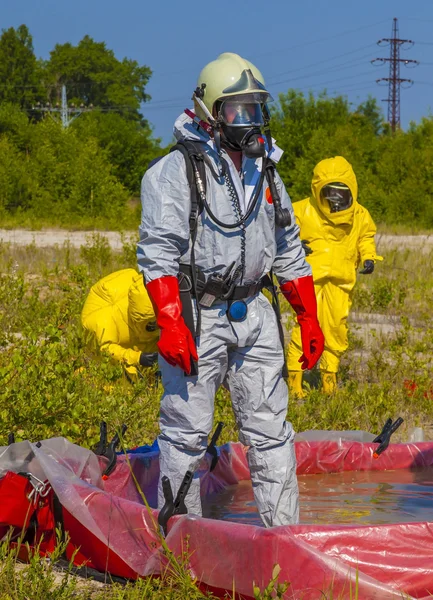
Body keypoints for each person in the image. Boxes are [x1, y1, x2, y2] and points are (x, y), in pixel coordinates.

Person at [137, 52, 324, 527]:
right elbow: (158, 253)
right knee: (186, 433)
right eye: (238, 110)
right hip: (197, 312)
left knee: (272, 432)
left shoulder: (266, 171)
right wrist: (170, 322)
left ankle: (286, 539)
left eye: (256, 109)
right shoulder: (175, 173)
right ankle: (181, 544)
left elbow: (287, 246)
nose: (250, 121)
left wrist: (309, 315)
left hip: (255, 312)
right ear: (209, 112)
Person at [287, 156, 382, 397]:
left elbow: (365, 237)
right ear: (318, 190)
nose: (335, 199)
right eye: (330, 193)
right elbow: (280, 233)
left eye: (341, 193)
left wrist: (368, 256)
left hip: (341, 281)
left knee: (336, 329)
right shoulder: (301, 210)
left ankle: (329, 382)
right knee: (305, 327)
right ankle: (295, 383)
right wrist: (294, 245)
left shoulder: (359, 215)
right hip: (308, 280)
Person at [81, 269, 158, 382]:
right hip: (111, 365)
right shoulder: (102, 321)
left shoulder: (150, 306)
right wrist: (137, 358)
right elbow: (106, 349)